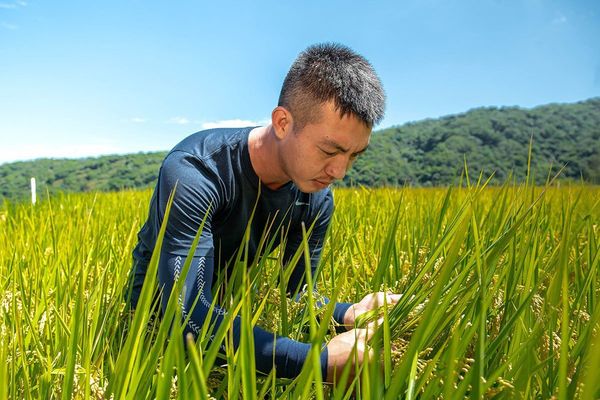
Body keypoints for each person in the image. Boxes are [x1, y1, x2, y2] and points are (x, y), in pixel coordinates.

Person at [127, 42, 400, 383]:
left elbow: (295, 295)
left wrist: (349, 313)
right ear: (283, 122)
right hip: (150, 326)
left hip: (232, 317)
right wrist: (318, 362)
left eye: (354, 155)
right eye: (330, 150)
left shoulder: (316, 200)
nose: (340, 171)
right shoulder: (196, 172)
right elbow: (184, 312)